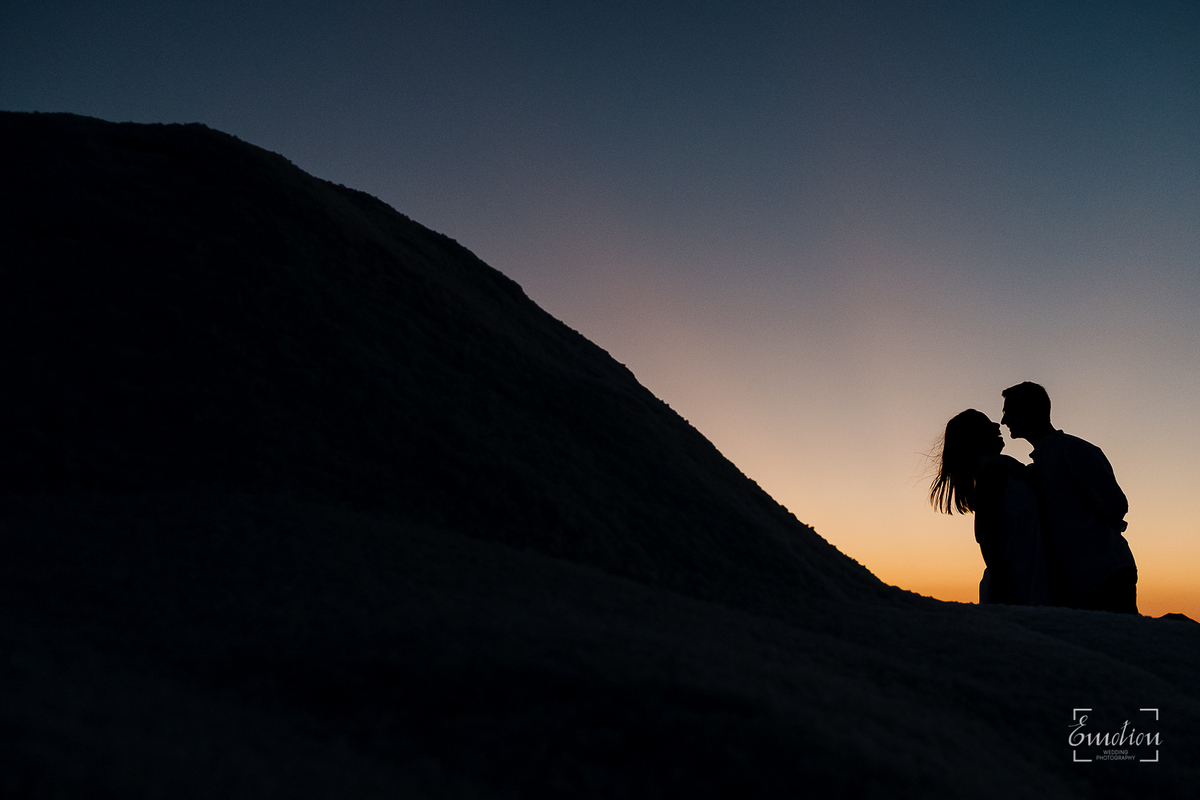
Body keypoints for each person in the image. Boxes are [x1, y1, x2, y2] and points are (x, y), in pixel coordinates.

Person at [1001, 382, 1138, 614]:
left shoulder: (1073, 450)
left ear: (1029, 410)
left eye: (1007, 412)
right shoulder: (1043, 460)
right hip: (1077, 581)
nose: (1004, 421)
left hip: (1105, 573)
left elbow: (1116, 504)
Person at [929, 409, 1053, 605]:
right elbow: (985, 536)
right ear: (973, 438)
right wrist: (1002, 585)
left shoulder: (1005, 472)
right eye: (986, 425)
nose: (996, 426)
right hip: (1017, 584)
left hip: (1025, 578)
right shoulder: (990, 476)